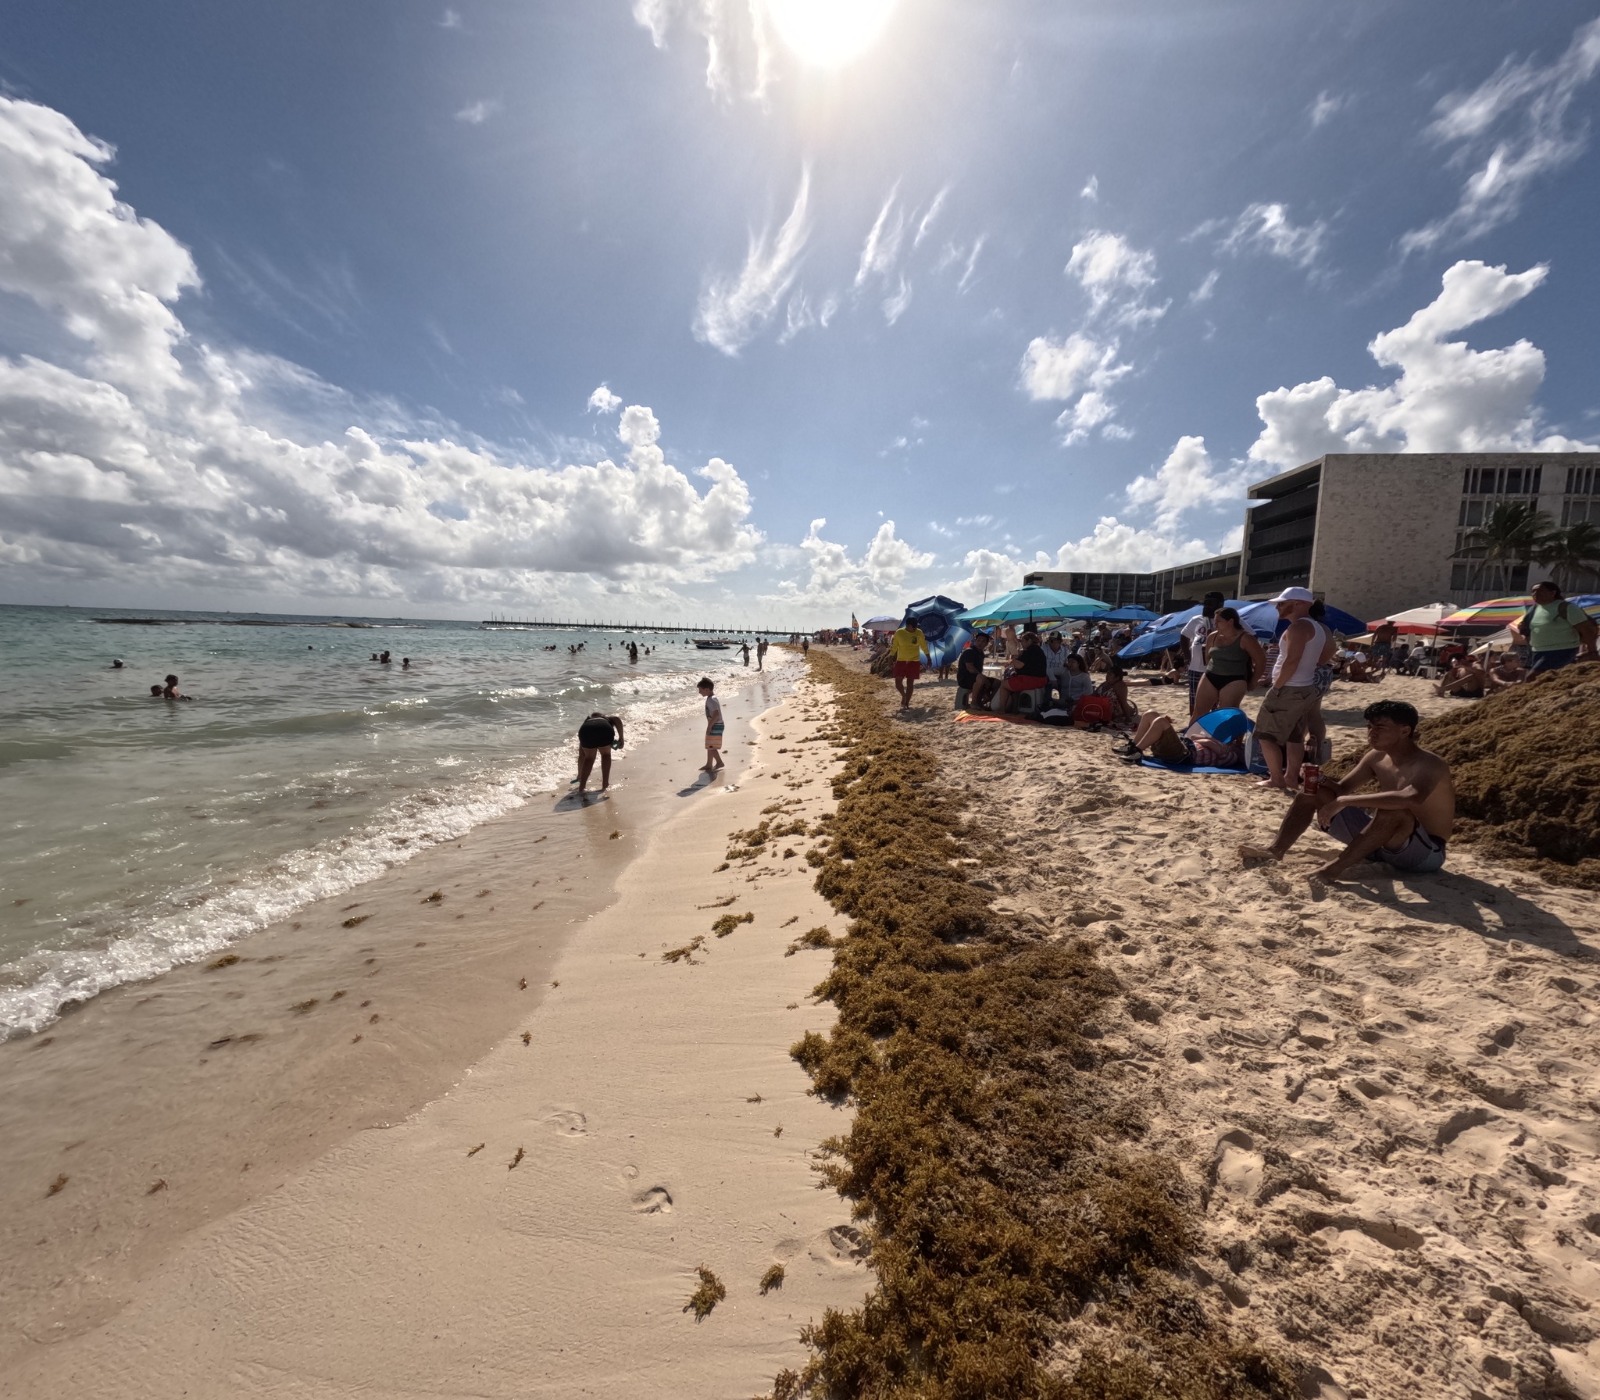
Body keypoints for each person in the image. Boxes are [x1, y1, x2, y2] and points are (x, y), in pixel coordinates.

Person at [1240, 699, 1454, 883]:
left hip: (1425, 853)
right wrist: (1320, 779)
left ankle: (1331, 871)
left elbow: (1411, 798)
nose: (1372, 733)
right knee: (1312, 791)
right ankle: (1276, 850)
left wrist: (1345, 802)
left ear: (1405, 731)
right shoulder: (1377, 757)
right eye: (1369, 726)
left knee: (1394, 810)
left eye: (1380, 727)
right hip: (1380, 843)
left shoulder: (1429, 764)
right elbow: (1342, 789)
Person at [1251, 587, 1328, 791]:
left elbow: (1291, 661)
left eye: (1283, 603)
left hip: (1290, 688)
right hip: (1305, 686)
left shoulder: (1299, 627)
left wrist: (1277, 686)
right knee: (1295, 736)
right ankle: (1291, 777)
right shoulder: (1317, 627)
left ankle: (1276, 778)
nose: (1278, 607)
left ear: (1299, 604)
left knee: (1265, 735)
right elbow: (1325, 655)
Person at [1508, 580, 1598, 674]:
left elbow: (1586, 629)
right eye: (1533, 591)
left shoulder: (1566, 608)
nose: (1536, 594)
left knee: (1533, 678)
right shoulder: (1533, 609)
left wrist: (1592, 651)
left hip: (1562, 650)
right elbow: (1526, 629)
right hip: (1538, 651)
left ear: (1553, 593)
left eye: (1540, 591)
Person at [1193, 607, 1265, 718]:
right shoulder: (1212, 636)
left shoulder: (1245, 638)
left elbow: (1260, 661)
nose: (1215, 624)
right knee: (1199, 712)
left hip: (1234, 679)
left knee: (1227, 715)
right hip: (1211, 675)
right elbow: (1208, 657)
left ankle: (1232, 735)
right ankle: (1190, 735)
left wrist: (1253, 681)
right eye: (1214, 621)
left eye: (1218, 621)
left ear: (1230, 622)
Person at [1115, 713, 1246, 769]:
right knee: (1150, 714)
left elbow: (1211, 745)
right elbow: (1193, 736)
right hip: (1182, 747)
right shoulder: (1224, 746)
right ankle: (1133, 746)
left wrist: (1210, 739)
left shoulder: (1232, 755)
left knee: (1160, 722)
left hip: (1182, 755)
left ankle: (1137, 751)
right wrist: (1209, 739)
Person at [1183, 591, 1226, 718]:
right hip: (1196, 668)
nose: (1206, 607)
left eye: (1210, 604)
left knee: (1216, 703)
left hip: (1220, 669)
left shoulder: (1230, 621)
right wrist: (1187, 657)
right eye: (1205, 603)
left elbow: (1250, 635)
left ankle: (1211, 729)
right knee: (1194, 701)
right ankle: (1193, 728)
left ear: (1220, 604)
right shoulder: (1196, 620)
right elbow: (1183, 636)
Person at [995, 629, 1050, 714]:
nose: (1021, 643)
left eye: (1023, 641)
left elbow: (1020, 665)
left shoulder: (1030, 650)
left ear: (1029, 641)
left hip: (1032, 679)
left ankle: (1002, 709)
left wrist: (1013, 660)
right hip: (1042, 679)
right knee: (1015, 684)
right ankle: (1015, 708)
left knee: (1004, 684)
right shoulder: (1038, 650)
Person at [575, 711, 624, 797]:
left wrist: (579, 775)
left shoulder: (587, 721)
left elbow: (581, 756)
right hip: (604, 728)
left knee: (589, 758)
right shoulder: (607, 719)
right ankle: (605, 784)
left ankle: (581, 787)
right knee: (606, 755)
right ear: (603, 716)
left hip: (585, 731)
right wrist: (621, 738)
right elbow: (617, 719)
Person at [888, 616, 932, 709]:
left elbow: (924, 646)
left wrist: (928, 658)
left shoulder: (919, 633)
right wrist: (891, 657)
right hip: (901, 661)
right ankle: (903, 696)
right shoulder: (899, 632)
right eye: (914, 627)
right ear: (908, 625)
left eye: (916, 627)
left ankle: (907, 702)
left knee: (910, 683)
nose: (915, 629)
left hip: (914, 661)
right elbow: (895, 646)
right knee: (898, 683)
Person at [953, 631, 991, 710]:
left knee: (996, 683)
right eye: (979, 640)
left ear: (986, 644)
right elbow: (970, 668)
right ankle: (974, 702)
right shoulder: (969, 651)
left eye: (983, 641)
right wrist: (983, 678)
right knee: (981, 678)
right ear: (975, 641)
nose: (980, 643)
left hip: (975, 677)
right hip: (965, 678)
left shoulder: (980, 653)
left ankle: (982, 702)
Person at [697, 678, 725, 775]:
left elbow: (716, 714)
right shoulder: (713, 698)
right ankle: (709, 764)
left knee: (711, 746)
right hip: (717, 724)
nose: (699, 692)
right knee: (709, 745)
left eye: (700, 690)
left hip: (715, 725)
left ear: (707, 689)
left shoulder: (711, 700)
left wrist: (709, 727)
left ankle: (719, 762)